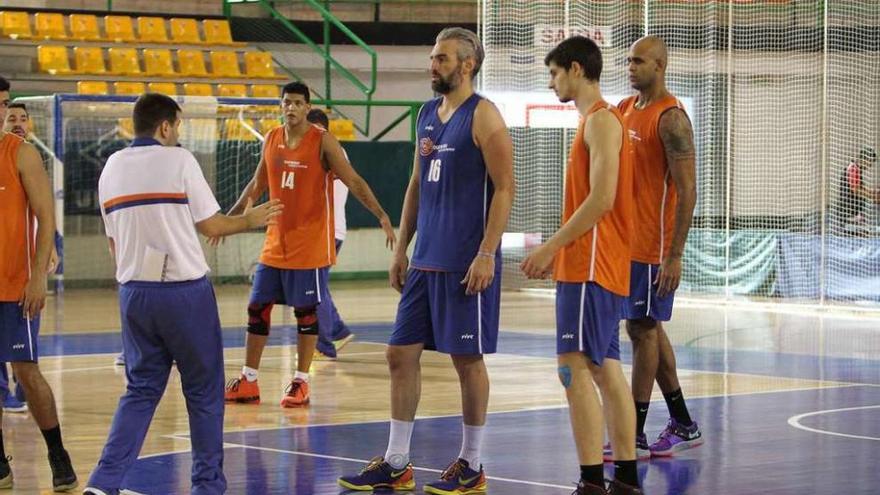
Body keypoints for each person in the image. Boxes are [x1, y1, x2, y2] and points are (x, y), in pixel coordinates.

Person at [338, 27, 514, 494]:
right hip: (425, 262)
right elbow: (416, 185)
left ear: (467, 64)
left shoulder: (485, 116)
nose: (432, 65)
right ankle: (397, 461)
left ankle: (472, 464)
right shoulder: (425, 115)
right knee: (399, 354)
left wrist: (486, 252)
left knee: (466, 359)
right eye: (433, 58)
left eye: (441, 58)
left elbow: (505, 189)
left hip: (464, 264)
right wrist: (401, 248)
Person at [84, 93, 282, 495]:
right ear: (165, 127)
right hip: (184, 294)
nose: (180, 133)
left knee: (140, 391)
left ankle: (103, 483)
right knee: (204, 391)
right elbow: (211, 226)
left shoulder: (111, 168)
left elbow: (112, 243)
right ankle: (207, 486)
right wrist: (251, 219)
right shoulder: (179, 160)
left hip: (134, 293)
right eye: (178, 125)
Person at [222, 81, 396, 408]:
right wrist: (230, 221)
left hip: (310, 246)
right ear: (281, 105)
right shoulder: (272, 138)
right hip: (275, 243)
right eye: (286, 102)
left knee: (306, 313)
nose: (291, 108)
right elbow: (257, 184)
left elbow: (354, 180)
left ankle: (301, 383)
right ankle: (249, 380)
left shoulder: (323, 142)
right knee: (257, 308)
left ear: (307, 107)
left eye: (298, 103)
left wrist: (382, 214)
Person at [520, 36, 642, 494]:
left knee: (571, 368)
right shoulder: (597, 122)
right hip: (595, 264)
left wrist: (552, 247)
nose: (551, 82)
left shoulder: (601, 121)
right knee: (605, 367)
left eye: (554, 73)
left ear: (575, 69)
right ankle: (625, 478)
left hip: (592, 264)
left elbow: (602, 199)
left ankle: (592, 480)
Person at [611, 35, 702, 460]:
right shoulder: (626, 109)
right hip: (626, 243)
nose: (630, 67)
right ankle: (682, 422)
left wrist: (675, 254)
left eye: (639, 61)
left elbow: (688, 191)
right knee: (648, 327)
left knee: (641, 330)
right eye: (628, 60)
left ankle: (635, 433)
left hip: (654, 247)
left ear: (660, 66)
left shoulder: (671, 119)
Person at [0, 75, 77, 491]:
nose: (2, 111)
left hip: (14, 289)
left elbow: (46, 217)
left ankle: (57, 452)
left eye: (5, 103)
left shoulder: (21, 153)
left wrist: (36, 277)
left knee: (27, 372)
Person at [306, 108, 355, 360]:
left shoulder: (322, 149)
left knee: (313, 288)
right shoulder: (335, 150)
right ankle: (336, 331)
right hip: (329, 231)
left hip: (325, 232)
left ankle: (324, 344)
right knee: (317, 285)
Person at [1, 101, 32, 413]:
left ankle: (23, 385)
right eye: (12, 117)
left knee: (25, 348)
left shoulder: (29, 158)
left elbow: (41, 215)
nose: (19, 122)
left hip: (23, 269)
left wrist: (48, 252)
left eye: (24, 118)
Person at [831, 146, 879, 233]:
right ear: (864, 159)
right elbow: (856, 190)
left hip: (853, 209)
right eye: (870, 162)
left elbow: (861, 188)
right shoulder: (853, 169)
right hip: (849, 210)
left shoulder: (856, 169)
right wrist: (873, 196)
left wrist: (873, 192)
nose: (870, 165)